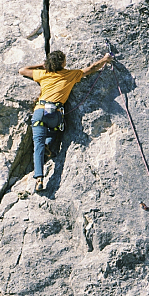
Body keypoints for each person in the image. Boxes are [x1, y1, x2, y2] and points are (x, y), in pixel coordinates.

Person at [19, 48, 112, 191]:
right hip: (55, 113)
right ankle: (49, 145)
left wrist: (42, 65)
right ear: (62, 63)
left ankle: (39, 179)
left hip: (39, 112)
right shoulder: (70, 75)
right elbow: (92, 68)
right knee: (54, 130)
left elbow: (22, 70)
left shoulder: (43, 74)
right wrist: (105, 59)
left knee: (38, 145)